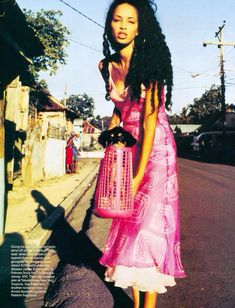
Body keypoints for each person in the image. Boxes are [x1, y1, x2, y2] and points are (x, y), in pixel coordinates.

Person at [97, 0, 186, 307]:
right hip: (127, 149)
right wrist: (113, 137)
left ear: (139, 27)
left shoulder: (149, 62)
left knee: (148, 229)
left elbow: (149, 119)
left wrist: (137, 175)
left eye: (130, 21)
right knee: (129, 229)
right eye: (117, 20)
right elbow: (118, 107)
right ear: (110, 24)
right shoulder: (106, 66)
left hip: (155, 149)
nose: (122, 26)